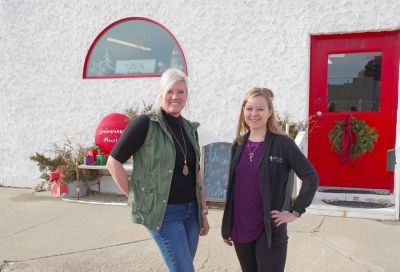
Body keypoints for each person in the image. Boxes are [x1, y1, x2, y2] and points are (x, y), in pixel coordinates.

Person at [106, 68, 210, 272]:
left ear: (186, 96)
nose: (175, 97)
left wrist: (203, 212)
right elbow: (113, 162)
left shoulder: (189, 128)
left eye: (181, 92)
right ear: (161, 93)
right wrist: (138, 198)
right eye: (170, 91)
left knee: (184, 267)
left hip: (191, 212)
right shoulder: (145, 124)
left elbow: (196, 172)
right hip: (165, 214)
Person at [221, 87, 319, 272]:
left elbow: (310, 177)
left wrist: (295, 211)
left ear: (270, 112)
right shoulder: (239, 143)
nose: (254, 114)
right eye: (249, 108)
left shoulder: (283, 144)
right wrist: (228, 226)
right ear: (243, 111)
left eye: (260, 109)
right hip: (241, 226)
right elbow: (234, 188)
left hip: (269, 230)